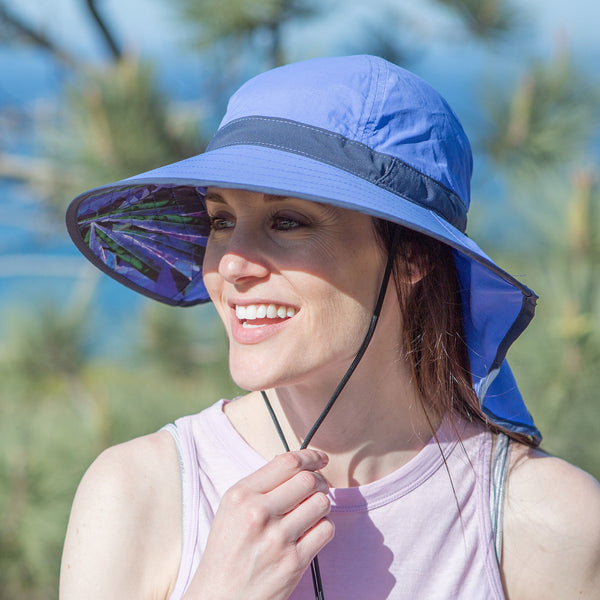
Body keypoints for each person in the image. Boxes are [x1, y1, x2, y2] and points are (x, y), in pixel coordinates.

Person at [60, 55, 600, 599]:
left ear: (413, 257)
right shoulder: (138, 494)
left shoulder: (548, 524)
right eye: (221, 220)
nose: (230, 264)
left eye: (287, 221)